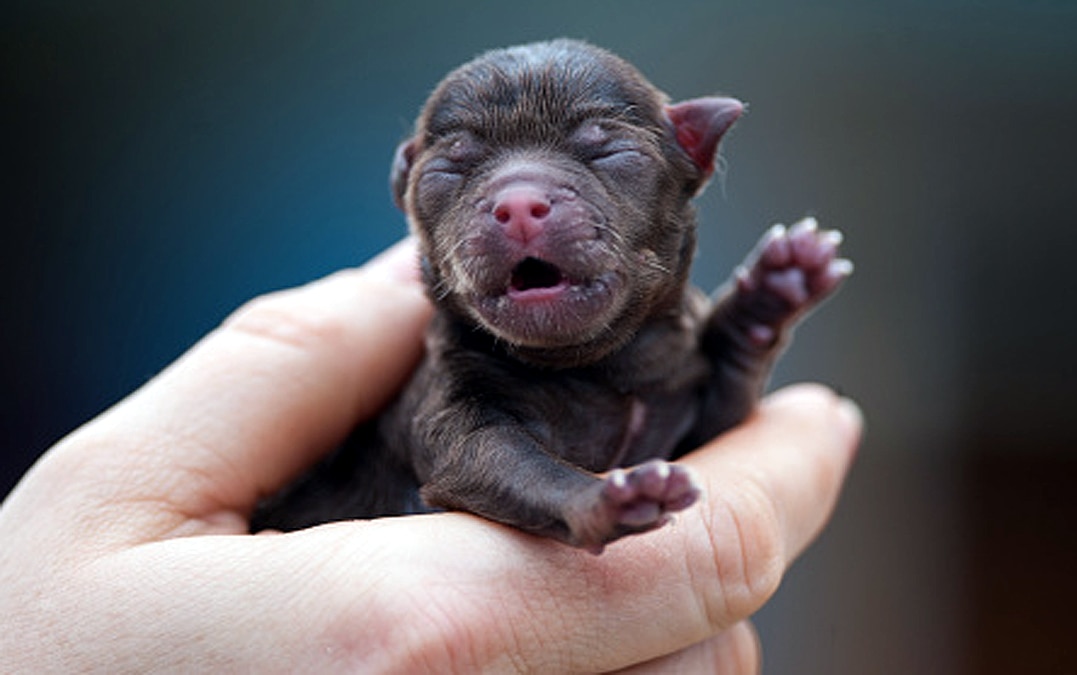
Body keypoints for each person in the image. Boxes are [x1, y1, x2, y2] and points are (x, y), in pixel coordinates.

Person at [0, 238, 861, 673]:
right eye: (461, 166)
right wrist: (582, 503)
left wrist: (743, 339)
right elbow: (465, 452)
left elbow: (698, 420)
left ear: (692, 159)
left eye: (605, 153)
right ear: (416, 198)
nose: (522, 204)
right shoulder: (452, 366)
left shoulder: (671, 348)